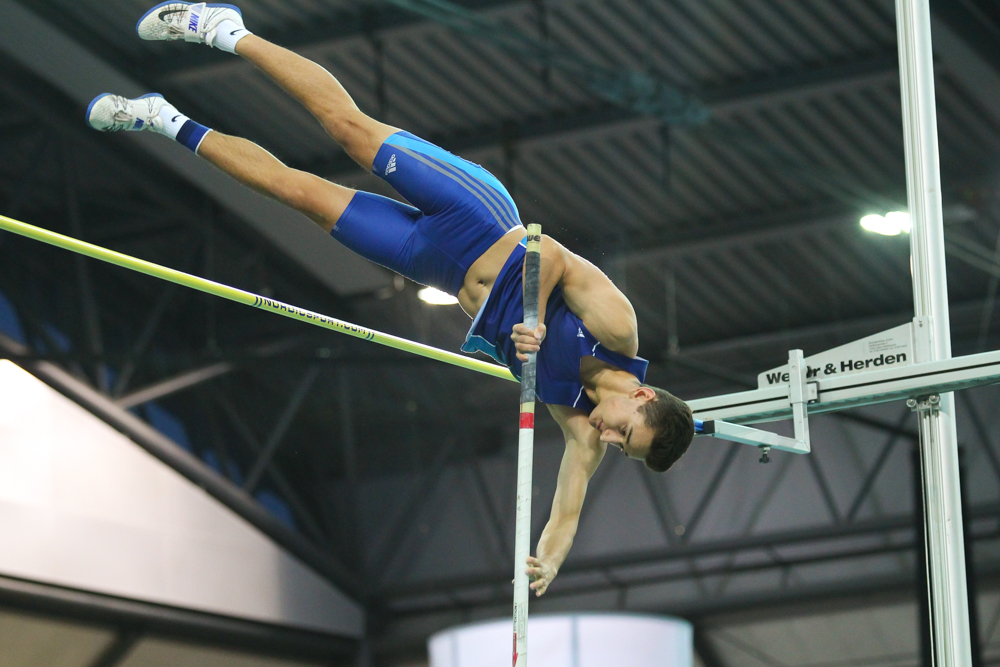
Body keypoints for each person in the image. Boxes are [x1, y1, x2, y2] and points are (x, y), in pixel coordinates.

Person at [86, 1, 695, 596]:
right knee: (350, 131)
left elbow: (567, 512)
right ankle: (223, 29)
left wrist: (548, 564)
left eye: (621, 449)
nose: (610, 440)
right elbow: (553, 254)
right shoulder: (619, 331)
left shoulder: (580, 423)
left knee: (297, 193)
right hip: (477, 217)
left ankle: (161, 120)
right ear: (642, 397)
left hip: (432, 262)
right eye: (626, 433)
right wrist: (531, 315)